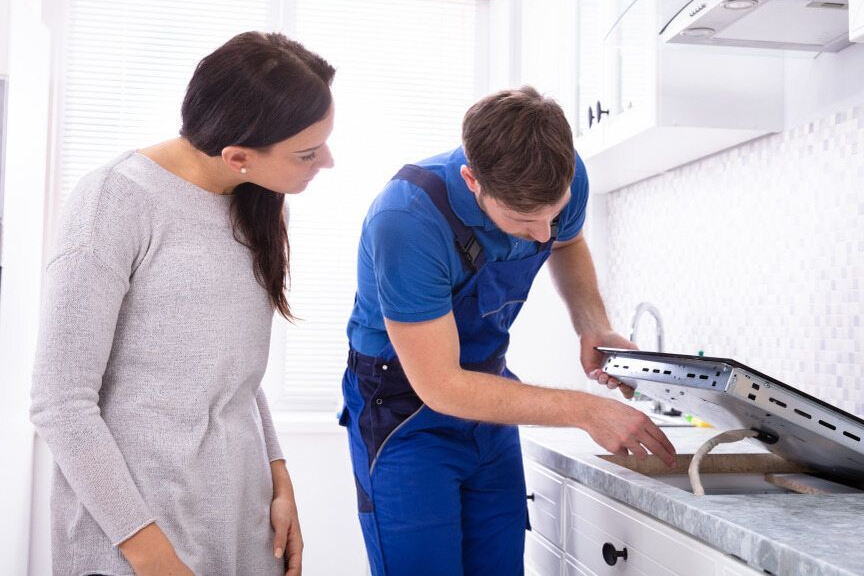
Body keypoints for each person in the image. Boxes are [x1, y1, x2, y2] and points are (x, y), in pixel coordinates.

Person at [30, 31, 336, 575]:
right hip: (134, 538)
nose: (327, 162)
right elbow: (61, 403)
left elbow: (233, 373)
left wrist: (279, 479)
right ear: (238, 155)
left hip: (242, 527)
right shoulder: (113, 203)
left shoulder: (260, 207)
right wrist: (153, 558)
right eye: (308, 153)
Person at [340, 85, 677, 575]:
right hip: (403, 411)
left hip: (489, 398)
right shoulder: (407, 220)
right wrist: (585, 410)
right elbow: (441, 385)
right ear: (472, 181)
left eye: (553, 213)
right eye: (524, 220)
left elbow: (568, 243)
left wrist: (593, 326)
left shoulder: (564, 175)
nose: (544, 233)